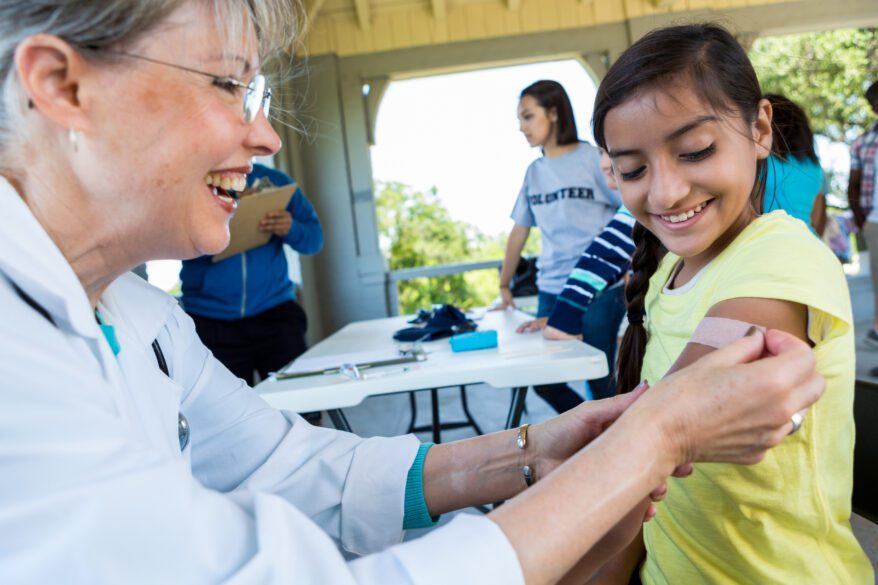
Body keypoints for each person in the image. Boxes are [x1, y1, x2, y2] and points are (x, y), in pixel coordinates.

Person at [0, 2, 827, 583]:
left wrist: (533, 449)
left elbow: (282, 461)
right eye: (227, 85)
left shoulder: (141, 313)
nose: (264, 133)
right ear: (63, 86)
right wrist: (656, 433)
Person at [588, 23, 872, 584]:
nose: (665, 192)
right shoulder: (668, 269)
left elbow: (658, 437)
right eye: (633, 169)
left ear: (761, 128)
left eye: (695, 151)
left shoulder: (781, 258)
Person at [499, 80, 624, 406]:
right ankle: (593, 433)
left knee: (599, 378)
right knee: (543, 381)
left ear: (553, 113)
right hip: (551, 288)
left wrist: (631, 265)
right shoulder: (534, 172)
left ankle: (611, 443)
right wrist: (504, 285)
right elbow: (519, 231)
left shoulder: (591, 158)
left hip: (599, 287)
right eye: (519, 120)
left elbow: (630, 207)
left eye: (528, 116)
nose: (521, 127)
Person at [180, 162, 322, 419]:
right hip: (212, 322)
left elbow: (314, 239)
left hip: (276, 314)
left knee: (302, 410)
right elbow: (176, 243)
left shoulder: (276, 181)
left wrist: (291, 228)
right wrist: (225, 219)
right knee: (225, 418)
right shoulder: (194, 185)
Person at [762, 93, 825, 234]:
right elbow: (816, 219)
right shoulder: (815, 168)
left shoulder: (762, 161)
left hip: (769, 243)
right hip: (809, 242)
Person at [849, 81, 878, 347]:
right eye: (873, 103)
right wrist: (862, 221)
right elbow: (853, 185)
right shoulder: (864, 142)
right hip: (875, 221)